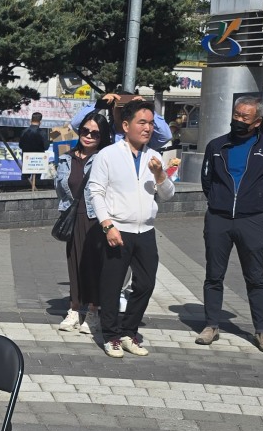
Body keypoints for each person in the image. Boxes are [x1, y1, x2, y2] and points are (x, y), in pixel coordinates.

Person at [88, 98, 176, 357]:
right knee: (112, 285)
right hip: (117, 229)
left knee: (146, 284)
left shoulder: (154, 157)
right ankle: (111, 335)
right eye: (142, 122)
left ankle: (129, 332)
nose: (147, 128)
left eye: (150, 123)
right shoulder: (108, 155)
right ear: (126, 125)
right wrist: (107, 226)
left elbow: (168, 194)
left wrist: (160, 174)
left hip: (145, 231)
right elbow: (96, 191)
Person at [196, 96, 263, 353]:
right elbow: (207, 180)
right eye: (236, 115)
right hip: (218, 219)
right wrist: (218, 201)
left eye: (244, 117)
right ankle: (211, 325)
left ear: (257, 121)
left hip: (251, 220)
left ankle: (261, 331)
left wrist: (256, 204)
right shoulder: (216, 146)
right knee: (214, 274)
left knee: (256, 277)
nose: (238, 120)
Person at [54, 112, 108, 334]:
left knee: (94, 266)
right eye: (85, 131)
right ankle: (74, 308)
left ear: (102, 136)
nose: (89, 136)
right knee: (74, 264)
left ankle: (94, 311)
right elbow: (60, 189)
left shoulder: (104, 158)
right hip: (74, 217)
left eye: (95, 133)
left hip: (96, 218)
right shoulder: (67, 158)